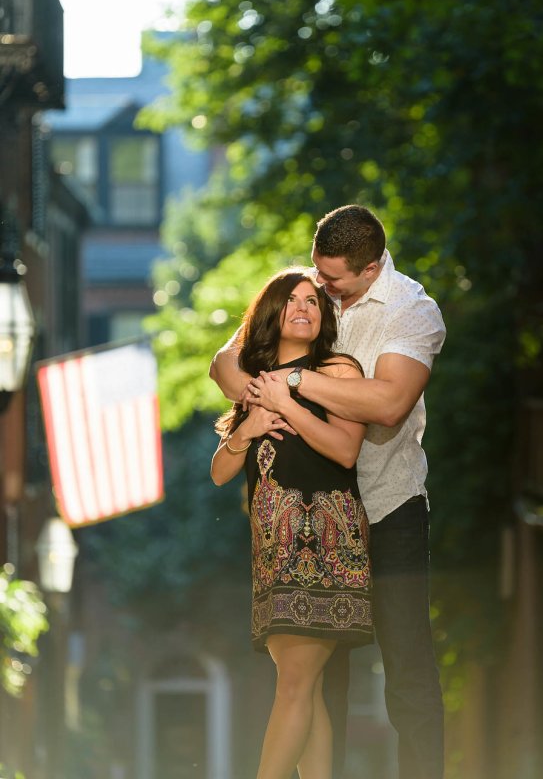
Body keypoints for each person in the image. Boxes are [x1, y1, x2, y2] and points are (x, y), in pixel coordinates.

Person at [210, 205, 446, 779]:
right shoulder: (307, 297)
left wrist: (289, 384)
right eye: (318, 275)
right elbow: (225, 362)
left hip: (386, 504)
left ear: (371, 269)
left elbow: (388, 404)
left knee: (407, 665)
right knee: (317, 680)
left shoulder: (411, 311)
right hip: (299, 514)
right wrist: (253, 409)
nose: (320, 288)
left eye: (333, 280)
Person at [210, 267, 372, 779]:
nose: (304, 308)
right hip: (273, 547)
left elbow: (345, 451)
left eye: (313, 301)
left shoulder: (340, 370)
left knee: (296, 686)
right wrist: (250, 426)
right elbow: (220, 473)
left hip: (328, 541)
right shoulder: (253, 381)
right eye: (292, 300)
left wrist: (287, 405)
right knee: (306, 687)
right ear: (272, 313)